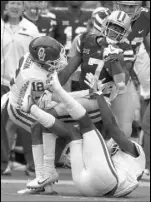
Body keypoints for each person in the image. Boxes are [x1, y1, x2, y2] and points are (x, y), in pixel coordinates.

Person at [18, 71, 146, 197]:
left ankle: (32, 108)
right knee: (73, 134)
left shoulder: (135, 150)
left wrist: (99, 94)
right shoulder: (128, 164)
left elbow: (112, 127)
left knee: (86, 123)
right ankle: (45, 181)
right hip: (88, 186)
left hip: (107, 180)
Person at [1, 0, 39, 175]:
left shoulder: (31, 29)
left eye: (18, 3)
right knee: (4, 125)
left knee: (25, 124)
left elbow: (38, 57)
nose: (15, 6)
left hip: (24, 84)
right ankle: (4, 163)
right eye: (11, 3)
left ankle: (32, 164)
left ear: (24, 7)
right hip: (1, 83)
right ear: (5, 6)